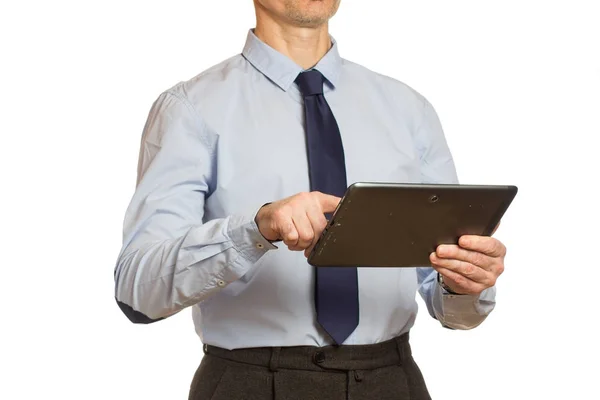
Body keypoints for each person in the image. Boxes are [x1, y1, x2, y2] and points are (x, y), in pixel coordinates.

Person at [114, 1, 507, 398]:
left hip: (391, 381)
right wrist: (255, 229)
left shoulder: (409, 110)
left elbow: (455, 310)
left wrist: (465, 284)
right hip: (249, 383)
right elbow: (138, 292)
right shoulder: (191, 109)